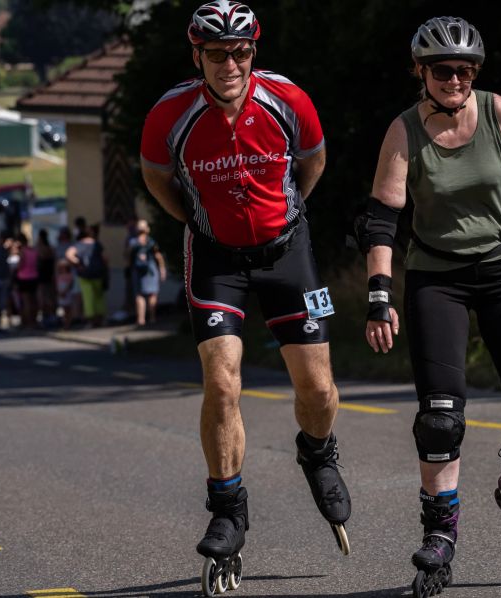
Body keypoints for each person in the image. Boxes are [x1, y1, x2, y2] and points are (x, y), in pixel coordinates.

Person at [140, 1, 352, 590]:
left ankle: (317, 450)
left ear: (252, 53)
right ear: (197, 56)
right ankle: (228, 508)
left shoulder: (288, 100)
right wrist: (197, 221)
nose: (229, 64)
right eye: (216, 53)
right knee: (223, 381)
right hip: (214, 256)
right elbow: (157, 176)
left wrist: (287, 217)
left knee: (318, 388)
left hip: (290, 251)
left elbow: (313, 161)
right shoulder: (171, 115)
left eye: (239, 52)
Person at [357, 17, 501, 597]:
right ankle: (441, 534)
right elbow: (383, 218)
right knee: (441, 419)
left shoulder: (498, 112)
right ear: (420, 72)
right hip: (437, 279)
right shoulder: (403, 132)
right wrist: (380, 293)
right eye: (443, 69)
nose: (455, 79)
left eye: (465, 70)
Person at [65, 226, 107, 328]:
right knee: (99, 297)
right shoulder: (97, 244)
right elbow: (105, 258)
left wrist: (78, 264)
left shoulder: (79, 245)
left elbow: (69, 255)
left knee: (88, 297)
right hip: (98, 273)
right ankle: (100, 320)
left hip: (85, 274)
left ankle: (91, 321)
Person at [128, 219, 166, 326]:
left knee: (139, 294)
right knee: (152, 294)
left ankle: (141, 319)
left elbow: (128, 256)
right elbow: (158, 256)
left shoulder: (133, 242)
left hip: (137, 270)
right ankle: (152, 318)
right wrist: (162, 269)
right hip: (151, 270)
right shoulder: (151, 241)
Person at [14, 233, 39, 330]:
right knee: (33, 301)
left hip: (24, 278)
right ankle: (33, 321)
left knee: (26, 302)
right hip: (34, 277)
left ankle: (27, 322)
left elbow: (20, 265)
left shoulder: (22, 252)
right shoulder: (33, 251)